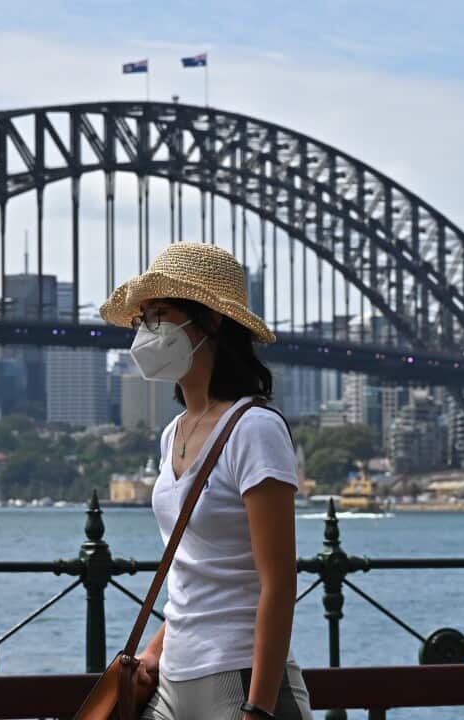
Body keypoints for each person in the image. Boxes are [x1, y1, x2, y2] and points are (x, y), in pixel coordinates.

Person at [99, 243, 313, 720]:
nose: (147, 330)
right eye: (143, 317)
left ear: (212, 321)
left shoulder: (254, 429)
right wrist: (153, 654)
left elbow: (278, 582)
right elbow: (193, 575)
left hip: (237, 678)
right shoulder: (171, 433)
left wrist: (258, 708)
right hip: (171, 681)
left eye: (162, 313)